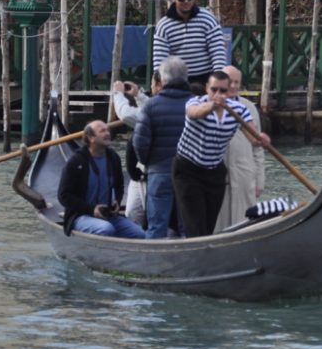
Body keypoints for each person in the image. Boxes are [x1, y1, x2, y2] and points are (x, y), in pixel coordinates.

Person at [173, 70, 271, 238]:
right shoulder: (194, 102)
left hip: (214, 172)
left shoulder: (239, 110)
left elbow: (253, 138)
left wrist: (261, 139)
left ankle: (208, 257)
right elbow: (194, 114)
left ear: (229, 91)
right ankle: (197, 258)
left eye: (222, 91)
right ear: (206, 88)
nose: (218, 94)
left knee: (210, 225)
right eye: (214, 90)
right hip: (187, 170)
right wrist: (212, 105)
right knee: (196, 226)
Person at [132, 56, 194, 238]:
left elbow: (140, 143)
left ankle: (152, 265)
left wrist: (148, 163)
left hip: (159, 171)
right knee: (188, 227)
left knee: (156, 227)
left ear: (163, 80)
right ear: (186, 78)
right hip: (189, 173)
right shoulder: (197, 105)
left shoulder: (151, 106)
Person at [57, 120, 145, 238]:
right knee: (106, 229)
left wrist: (117, 202)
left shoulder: (113, 158)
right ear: (90, 137)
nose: (107, 133)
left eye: (107, 130)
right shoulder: (76, 161)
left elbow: (119, 186)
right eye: (102, 131)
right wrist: (91, 209)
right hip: (81, 215)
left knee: (140, 234)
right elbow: (63, 196)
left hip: (108, 215)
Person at [214, 65, 266, 232]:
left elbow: (257, 149)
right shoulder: (209, 107)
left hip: (244, 178)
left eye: (237, 82)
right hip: (219, 178)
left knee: (245, 225)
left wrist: (259, 180)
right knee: (218, 227)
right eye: (231, 82)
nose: (234, 86)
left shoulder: (250, 108)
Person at [151, 0, 228, 86]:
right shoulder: (164, 26)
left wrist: (217, 80)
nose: (186, 1)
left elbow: (217, 52)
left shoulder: (208, 19)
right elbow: (160, 60)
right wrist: (160, 82)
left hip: (206, 80)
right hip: (177, 82)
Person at [110, 72, 161, 229]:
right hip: (139, 170)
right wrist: (138, 95)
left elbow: (126, 115)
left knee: (154, 215)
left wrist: (118, 94)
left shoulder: (160, 109)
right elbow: (150, 109)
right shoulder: (159, 105)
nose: (151, 88)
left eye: (152, 84)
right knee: (132, 212)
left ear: (159, 85)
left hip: (154, 172)